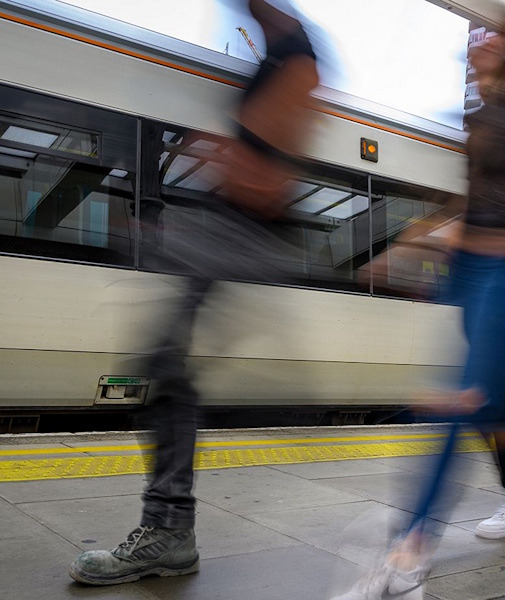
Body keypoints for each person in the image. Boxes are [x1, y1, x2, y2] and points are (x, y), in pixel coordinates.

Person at [336, 30, 505, 600]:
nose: (472, 63)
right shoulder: (486, 120)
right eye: (469, 56)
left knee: (465, 402)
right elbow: (477, 202)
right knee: (484, 405)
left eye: (483, 51)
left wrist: (472, 237)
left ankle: (410, 553)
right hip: (485, 279)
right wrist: (420, 240)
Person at [69, 0, 320, 586]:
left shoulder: (295, 50)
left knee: (164, 367)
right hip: (231, 232)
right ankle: (170, 527)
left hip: (239, 233)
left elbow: (269, 177)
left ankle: (168, 530)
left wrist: (223, 171)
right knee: (166, 370)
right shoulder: (282, 49)